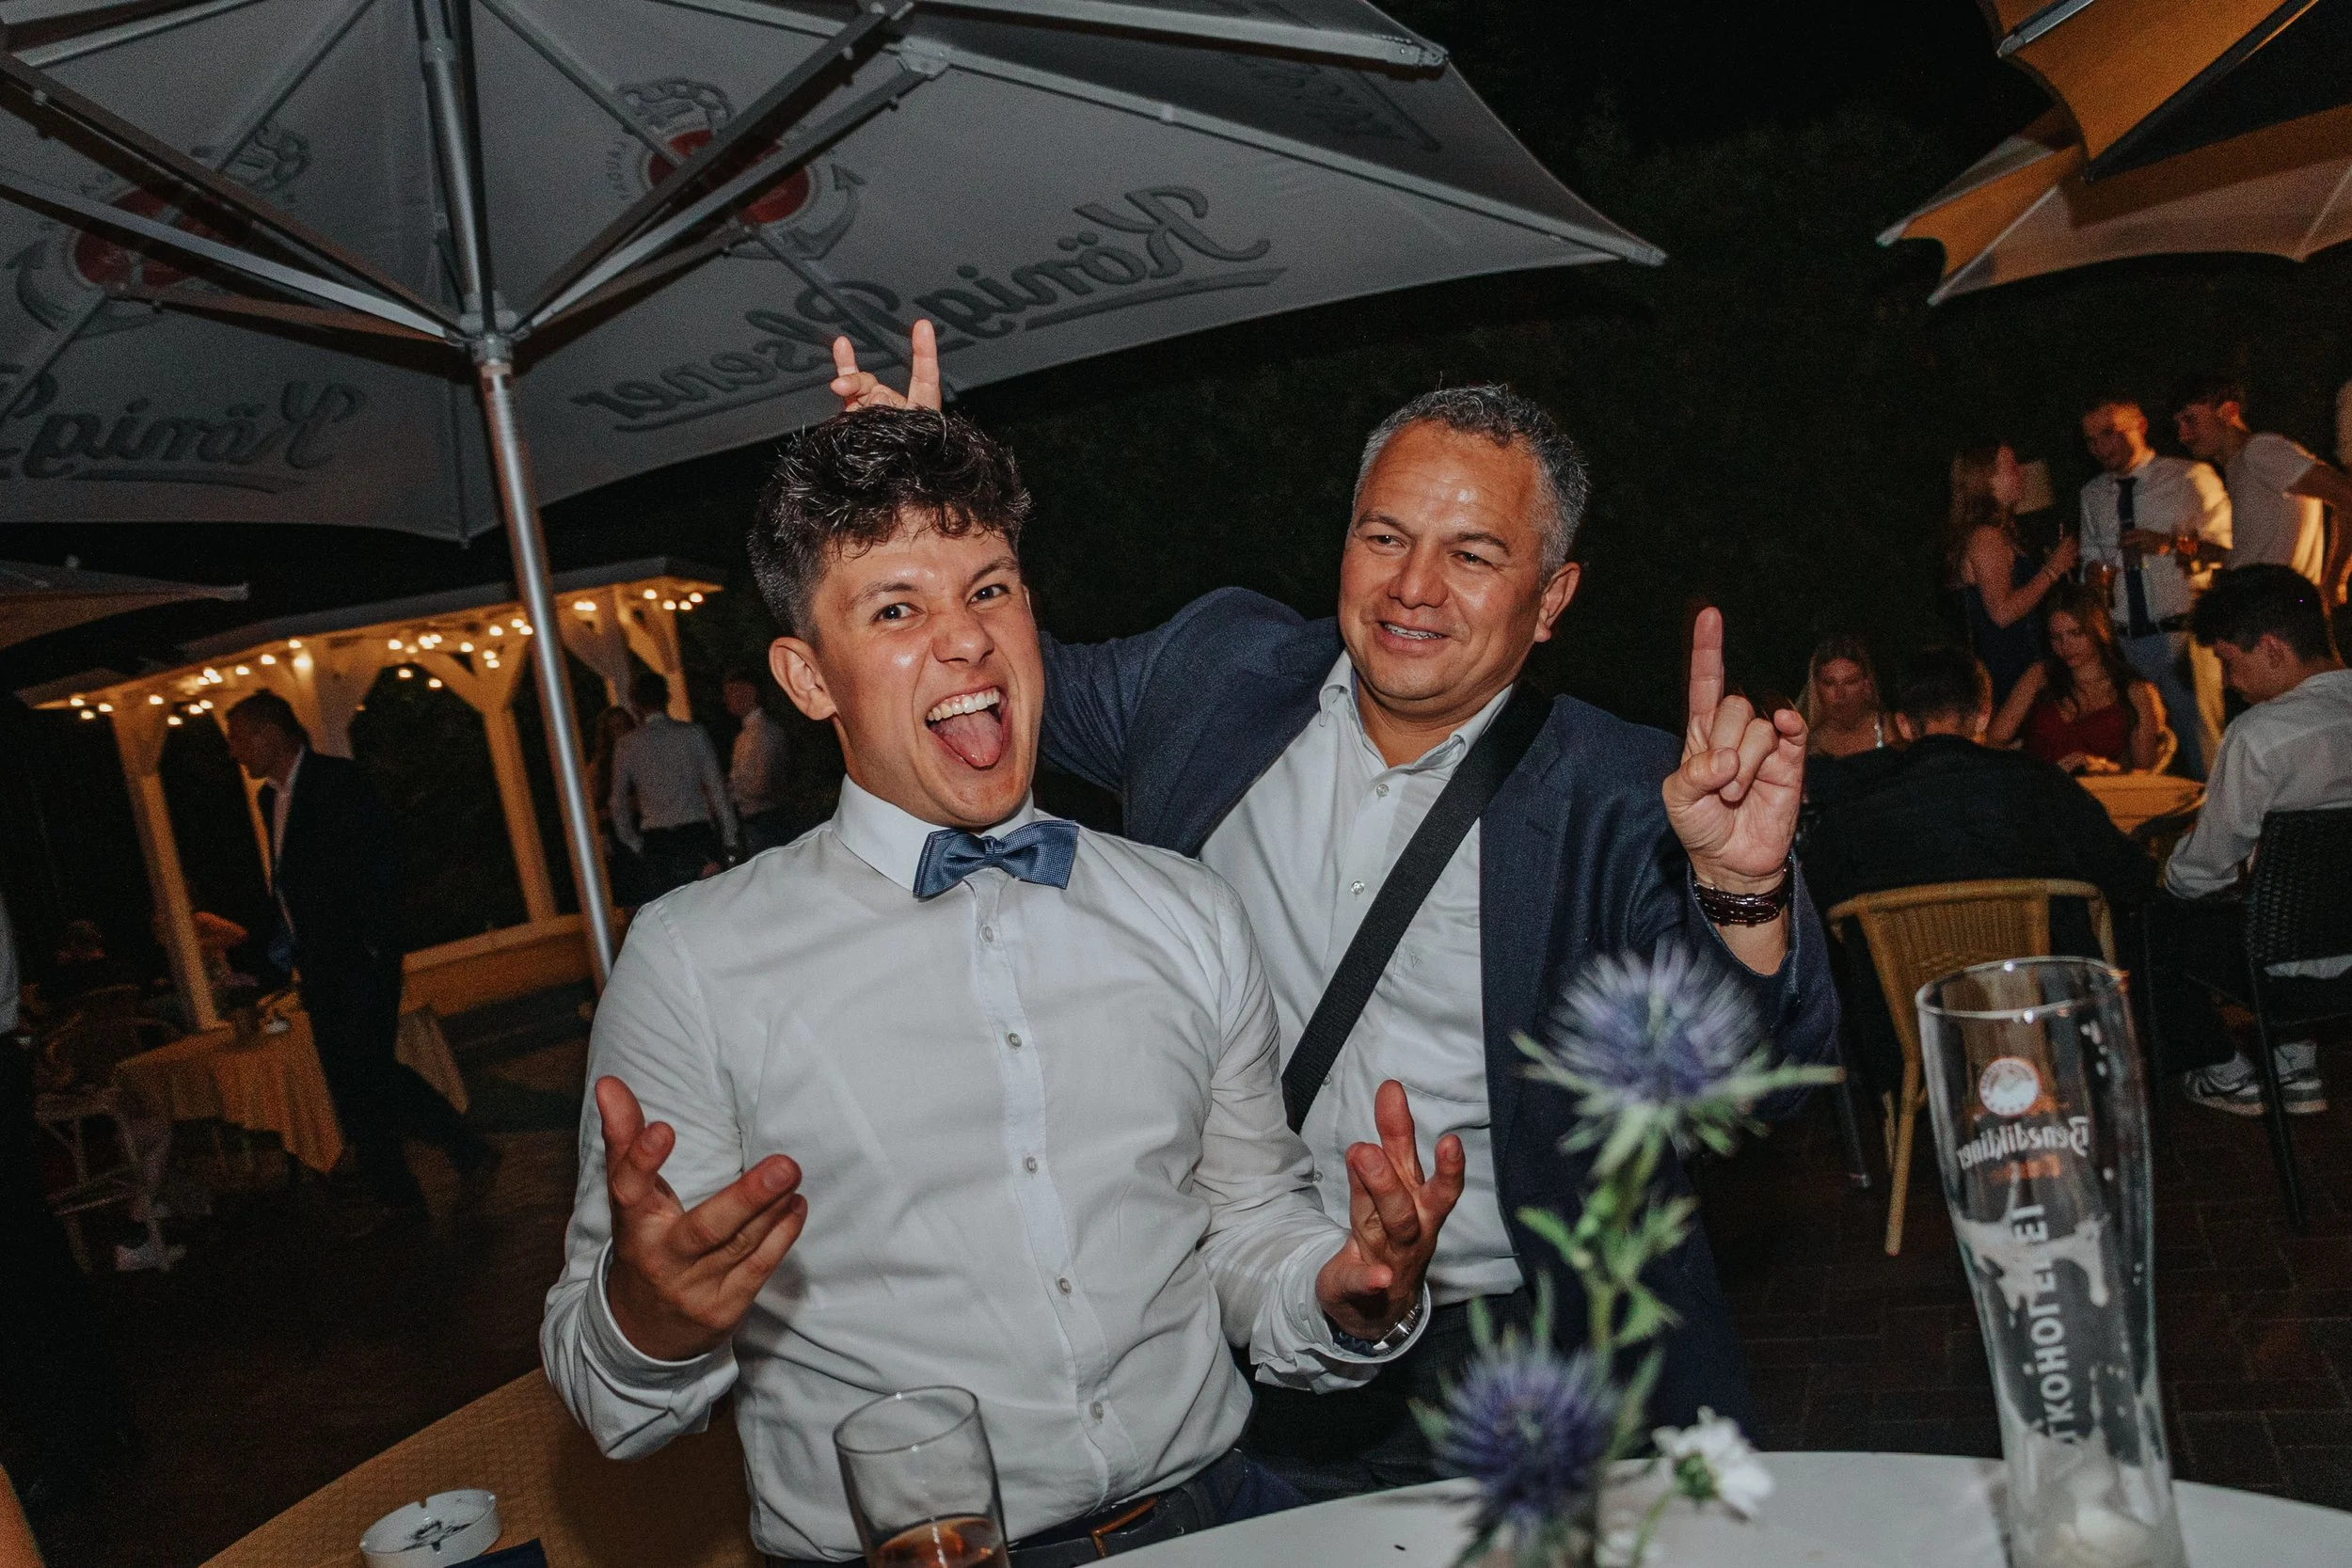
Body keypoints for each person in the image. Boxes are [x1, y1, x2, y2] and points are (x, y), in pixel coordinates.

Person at [828, 329, 1840, 1490]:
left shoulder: (1621, 793)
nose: (1414, 587)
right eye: (1384, 536)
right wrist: (921, 515)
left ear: (1551, 598)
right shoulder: (1214, 675)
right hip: (1260, 1336)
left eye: (1472, 553)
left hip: (1537, 1348)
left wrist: (1741, 886)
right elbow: (994, 676)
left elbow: (1753, 1085)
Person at [543, 407, 1464, 1564]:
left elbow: (1245, 1220)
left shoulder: (1185, 911)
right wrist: (651, 1319)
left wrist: (1343, 1285)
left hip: (1213, 1520)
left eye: (989, 590)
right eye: (896, 609)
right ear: (808, 676)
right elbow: (607, 1395)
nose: (966, 640)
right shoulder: (693, 960)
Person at [1802, 646, 2155, 1096]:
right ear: (1983, 716)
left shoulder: (1854, 809)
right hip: (2047, 1018)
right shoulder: (2042, 787)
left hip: (1916, 1032)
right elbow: (2132, 876)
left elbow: (1816, 906)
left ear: (1903, 724)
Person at [223, 692, 499, 1235]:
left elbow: (381, 861)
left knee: (369, 1069)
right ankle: (405, 1190)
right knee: (349, 1080)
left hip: (359, 955)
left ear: (268, 733)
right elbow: (289, 883)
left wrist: (373, 941)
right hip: (317, 961)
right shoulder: (268, 799)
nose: (234, 751)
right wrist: (269, 953)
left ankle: (458, 1155)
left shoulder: (338, 782)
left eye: (237, 738)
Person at [2157, 565, 2352, 1117]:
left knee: (2152, 917)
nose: (2226, 681)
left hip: (2291, 967)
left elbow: (2205, 869)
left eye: (2227, 661)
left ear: (2271, 648)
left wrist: (2165, 872)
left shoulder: (2260, 734)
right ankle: (2294, 1060)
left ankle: (2221, 1069)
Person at [2077, 397, 2231, 776]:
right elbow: (2089, 560)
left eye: (2109, 433)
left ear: (2140, 426)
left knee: (2204, 752)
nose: (2100, 447)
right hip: (2124, 642)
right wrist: (2094, 573)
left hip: (2182, 638)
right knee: (2140, 756)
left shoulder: (2190, 477)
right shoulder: (2092, 495)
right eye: (2091, 440)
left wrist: (2170, 544)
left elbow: (2228, 549)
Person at [2174, 373, 2352, 601]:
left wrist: (2334, 581)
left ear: (2228, 411)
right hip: (2258, 606)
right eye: (2178, 425)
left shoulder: (2260, 450)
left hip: (2274, 608)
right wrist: (2217, 554)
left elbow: (2347, 495)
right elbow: (2266, 553)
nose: (2182, 435)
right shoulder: (2239, 466)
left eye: (2190, 420)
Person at [1989, 582, 2172, 775]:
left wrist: (2104, 768)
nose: (2065, 645)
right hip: (2042, 786)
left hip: (2103, 788)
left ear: (2098, 629)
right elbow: (1994, 741)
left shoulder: (2134, 690)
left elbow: (2145, 772)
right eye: (2056, 637)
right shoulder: (2040, 675)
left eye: (2075, 633)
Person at [1947, 443, 2077, 705]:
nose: (2022, 473)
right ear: (1986, 480)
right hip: (2008, 670)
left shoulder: (2001, 531)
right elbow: (2002, 613)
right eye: (2012, 468)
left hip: (2024, 666)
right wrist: (2053, 570)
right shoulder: (1986, 537)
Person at [608, 669, 738, 899]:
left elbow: (617, 803)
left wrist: (634, 842)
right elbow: (716, 788)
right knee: (709, 901)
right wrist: (730, 836)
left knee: (669, 904)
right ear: (667, 697)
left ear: (636, 704)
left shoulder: (627, 745)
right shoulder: (694, 734)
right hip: (696, 833)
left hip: (657, 841)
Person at [723, 667, 797, 854]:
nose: (727, 699)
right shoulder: (746, 735)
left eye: (731, 692)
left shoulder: (764, 732)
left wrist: (729, 792)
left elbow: (763, 785)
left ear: (749, 692)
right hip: (755, 821)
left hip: (766, 822)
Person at [1797, 634, 1890, 760]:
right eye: (1829, 683)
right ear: (1816, 687)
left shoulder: (1891, 729)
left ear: (1866, 684)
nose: (1840, 694)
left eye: (1850, 682)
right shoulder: (1802, 741)